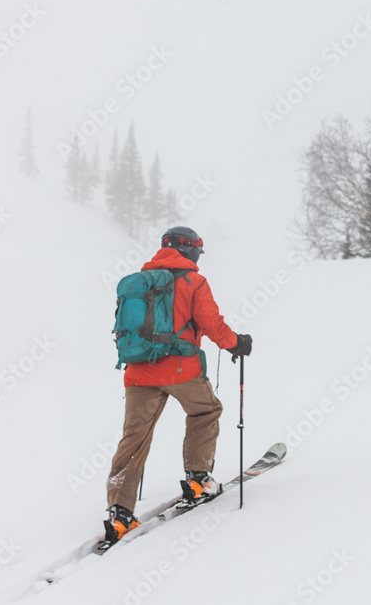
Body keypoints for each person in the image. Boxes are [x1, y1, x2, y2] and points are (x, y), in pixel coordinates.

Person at [104, 226, 252, 543]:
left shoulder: (138, 283)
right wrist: (236, 343)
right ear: (190, 251)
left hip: (138, 371)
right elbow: (212, 324)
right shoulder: (193, 281)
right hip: (180, 368)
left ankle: (119, 513)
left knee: (134, 436)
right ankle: (198, 480)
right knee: (205, 411)